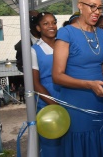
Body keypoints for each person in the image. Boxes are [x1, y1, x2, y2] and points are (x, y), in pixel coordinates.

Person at [52, 0, 103, 157]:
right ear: (80, 6)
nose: (97, 12)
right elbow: (57, 76)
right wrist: (88, 84)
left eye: (99, 8)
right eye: (92, 7)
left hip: (99, 102)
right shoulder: (66, 33)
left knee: (99, 144)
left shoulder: (101, 33)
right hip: (76, 105)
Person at [31, 12, 61, 156]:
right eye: (46, 23)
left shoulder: (64, 45)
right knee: (52, 145)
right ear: (38, 28)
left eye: (54, 22)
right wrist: (54, 104)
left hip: (67, 96)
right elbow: (35, 84)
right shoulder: (34, 50)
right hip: (47, 100)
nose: (51, 26)